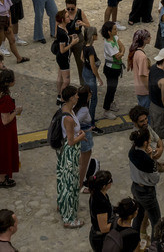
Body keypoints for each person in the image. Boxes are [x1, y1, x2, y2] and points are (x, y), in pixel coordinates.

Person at [129, 126, 164, 242]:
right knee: (156, 221)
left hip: (135, 187)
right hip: (146, 192)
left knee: (138, 216)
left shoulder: (132, 151)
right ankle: (155, 246)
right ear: (145, 143)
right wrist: (151, 158)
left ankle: (133, 242)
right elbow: (155, 179)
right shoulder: (147, 161)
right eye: (149, 139)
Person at [56, 86, 84, 228]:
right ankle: (69, 218)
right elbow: (71, 141)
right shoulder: (68, 118)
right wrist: (82, 136)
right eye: (76, 95)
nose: (78, 97)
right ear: (71, 98)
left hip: (65, 151)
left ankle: (62, 205)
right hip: (70, 153)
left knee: (63, 179)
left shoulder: (66, 109)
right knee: (70, 183)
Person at [0, 68, 22, 187]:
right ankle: (1, 179)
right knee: (4, 151)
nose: (15, 81)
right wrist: (16, 111)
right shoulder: (5, 98)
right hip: (5, 131)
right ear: (8, 82)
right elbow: (6, 120)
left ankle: (3, 175)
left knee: (1, 150)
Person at [87, 169, 117, 252]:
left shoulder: (100, 193)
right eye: (110, 181)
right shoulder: (100, 202)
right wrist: (118, 222)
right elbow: (103, 228)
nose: (112, 182)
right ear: (104, 186)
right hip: (100, 239)